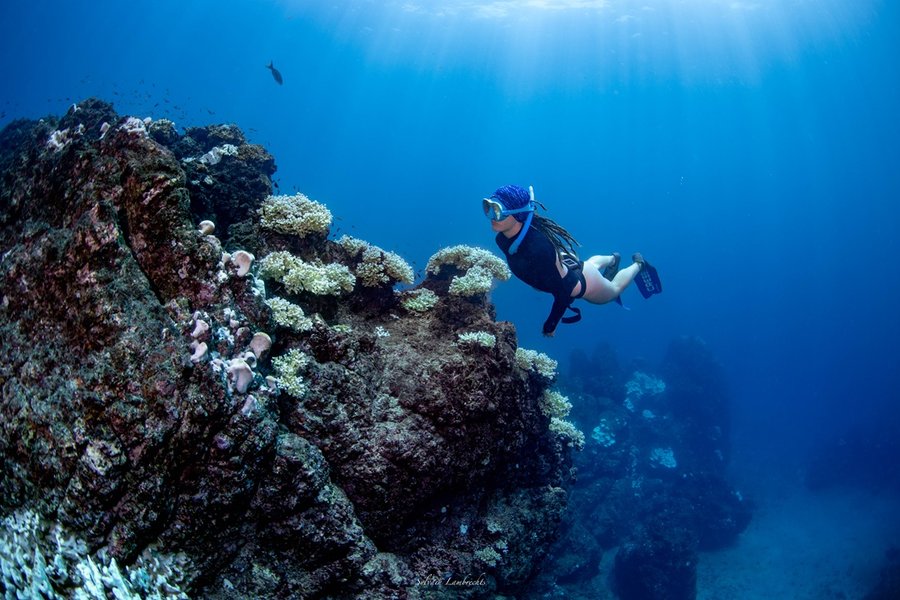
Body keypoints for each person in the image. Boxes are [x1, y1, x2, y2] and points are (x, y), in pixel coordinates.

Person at [484, 184, 662, 337]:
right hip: (565, 263)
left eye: (498, 211)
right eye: (488, 207)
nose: (492, 215)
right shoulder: (502, 238)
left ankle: (638, 264)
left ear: (518, 215)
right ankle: (612, 259)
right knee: (589, 265)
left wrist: (550, 325)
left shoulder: (539, 249)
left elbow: (564, 291)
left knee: (613, 291)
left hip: (579, 283)